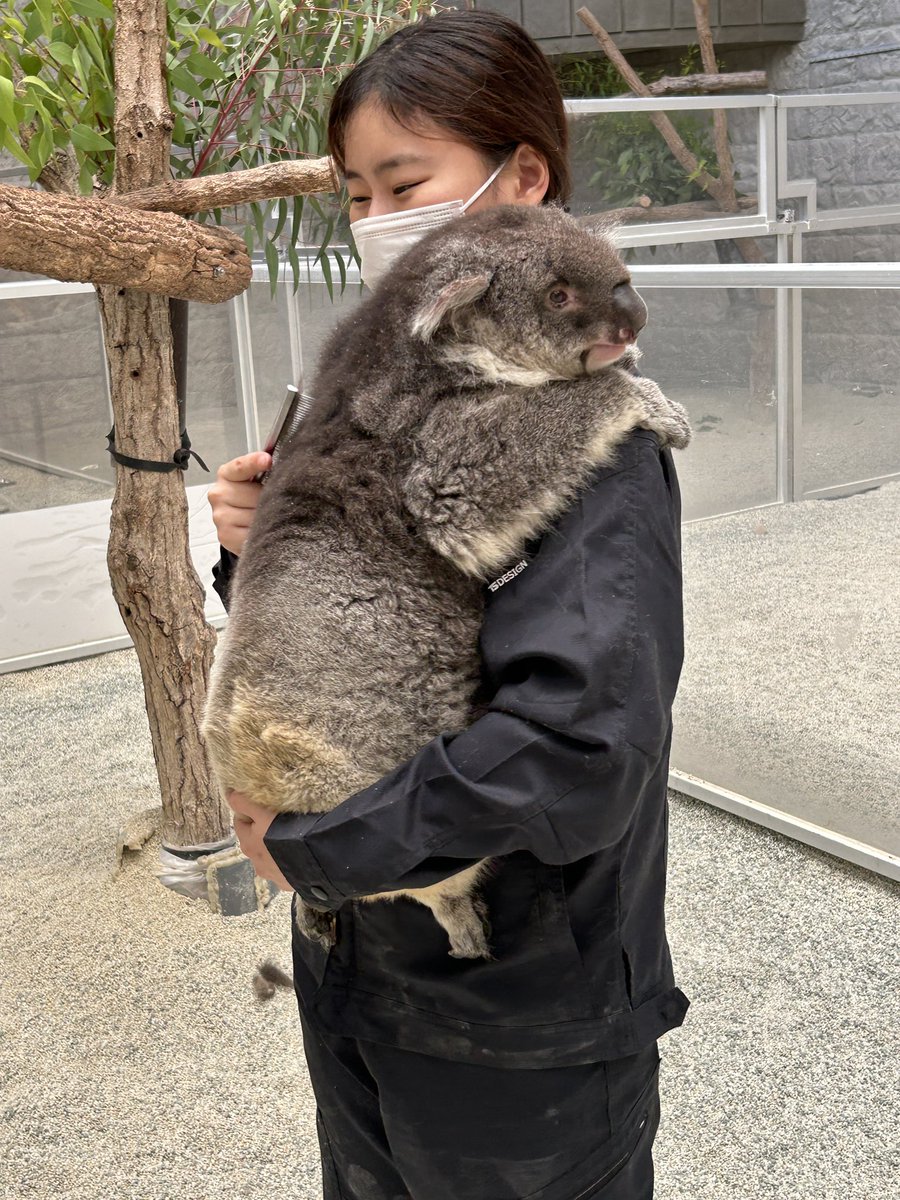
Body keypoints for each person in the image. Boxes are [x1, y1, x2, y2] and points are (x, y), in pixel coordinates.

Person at [207, 11, 689, 1199]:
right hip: (353, 969)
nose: (378, 223)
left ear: (522, 175)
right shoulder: (368, 373)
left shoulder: (599, 439)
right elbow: (349, 607)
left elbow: (579, 753)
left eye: (404, 183)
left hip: (522, 1011)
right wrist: (259, 551)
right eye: (357, 194)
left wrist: (316, 848)